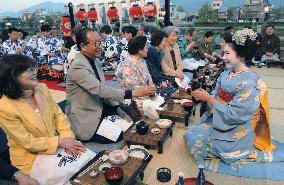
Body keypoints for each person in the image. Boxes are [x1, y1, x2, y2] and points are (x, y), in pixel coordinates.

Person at [184, 28, 277, 167]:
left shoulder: (249, 84)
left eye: (227, 53)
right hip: (219, 118)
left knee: (195, 141)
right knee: (191, 132)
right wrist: (207, 96)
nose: (224, 56)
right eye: (224, 53)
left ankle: (233, 149)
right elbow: (216, 93)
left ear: (240, 55)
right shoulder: (227, 72)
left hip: (233, 131)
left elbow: (235, 115)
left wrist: (209, 99)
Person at [65, 28, 156, 143]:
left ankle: (112, 117)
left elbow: (104, 87)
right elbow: (100, 90)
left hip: (101, 107)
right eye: (95, 43)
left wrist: (117, 109)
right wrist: (134, 93)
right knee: (119, 135)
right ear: (82, 46)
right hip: (87, 115)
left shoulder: (96, 61)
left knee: (131, 124)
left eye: (100, 42)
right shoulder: (78, 66)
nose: (100, 46)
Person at [0, 54, 85, 175]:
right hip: (31, 157)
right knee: (71, 175)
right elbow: (27, 142)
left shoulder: (41, 88)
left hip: (57, 144)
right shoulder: (4, 106)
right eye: (28, 70)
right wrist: (60, 142)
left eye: (33, 68)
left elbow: (58, 116)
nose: (35, 72)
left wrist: (68, 138)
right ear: (12, 77)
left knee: (87, 162)